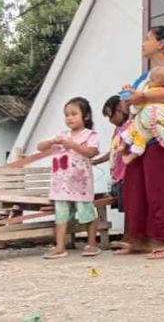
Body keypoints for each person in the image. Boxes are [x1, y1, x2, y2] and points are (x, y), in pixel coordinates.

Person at [122, 26, 164, 260]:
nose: (143, 43)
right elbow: (130, 102)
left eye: (147, 39)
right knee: (134, 188)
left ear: (160, 43)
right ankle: (138, 239)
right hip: (142, 135)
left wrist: (143, 96)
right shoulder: (144, 77)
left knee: (159, 189)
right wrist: (127, 99)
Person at [37, 97, 100, 259]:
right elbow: (40, 147)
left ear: (85, 116)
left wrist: (72, 145)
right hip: (61, 185)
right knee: (61, 215)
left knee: (86, 213)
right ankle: (59, 246)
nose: (69, 118)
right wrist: (53, 140)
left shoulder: (90, 135)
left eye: (74, 114)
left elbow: (91, 153)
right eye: (66, 115)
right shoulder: (61, 135)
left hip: (80, 183)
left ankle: (92, 244)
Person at [120, 64, 164, 162]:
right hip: (160, 124)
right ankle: (129, 155)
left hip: (149, 121)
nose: (149, 81)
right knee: (140, 137)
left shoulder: (150, 92)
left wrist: (134, 102)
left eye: (152, 80)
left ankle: (124, 147)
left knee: (135, 132)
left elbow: (137, 105)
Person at [93, 95, 133, 254]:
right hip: (117, 175)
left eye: (111, 115)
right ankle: (127, 237)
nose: (110, 120)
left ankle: (129, 237)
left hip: (128, 174)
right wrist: (96, 161)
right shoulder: (118, 130)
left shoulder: (131, 127)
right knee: (126, 208)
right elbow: (113, 152)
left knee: (131, 207)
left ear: (120, 110)